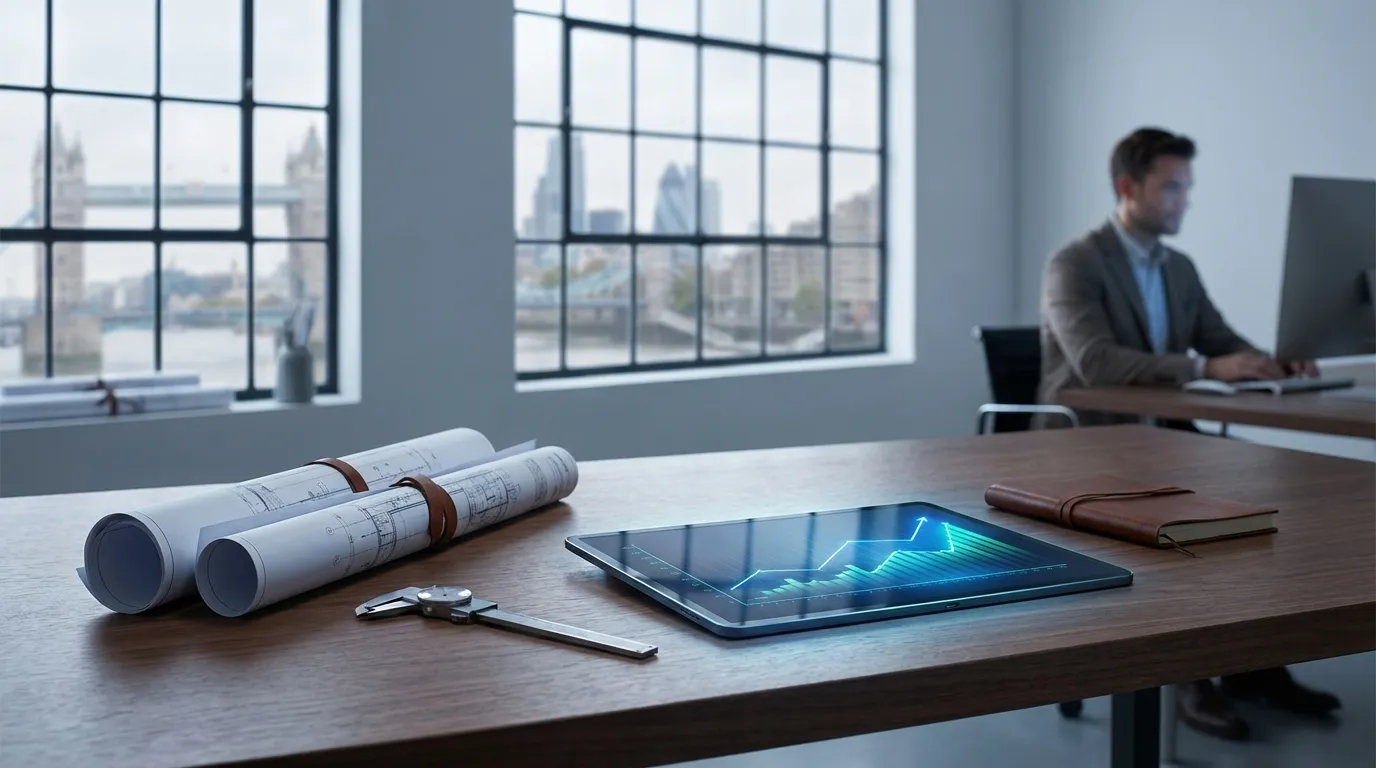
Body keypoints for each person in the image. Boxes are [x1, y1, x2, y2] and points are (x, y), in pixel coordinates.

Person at [1036, 127, 1340, 741]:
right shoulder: (1075, 262)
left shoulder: (1179, 268)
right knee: (1192, 511)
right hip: (1087, 442)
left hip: (1165, 435)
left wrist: (1279, 362)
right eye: (1171, 187)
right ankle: (1188, 680)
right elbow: (1096, 361)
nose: (1183, 201)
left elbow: (1221, 341)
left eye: (1187, 187)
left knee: (1265, 491)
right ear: (1127, 188)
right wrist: (1204, 368)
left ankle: (1253, 666)